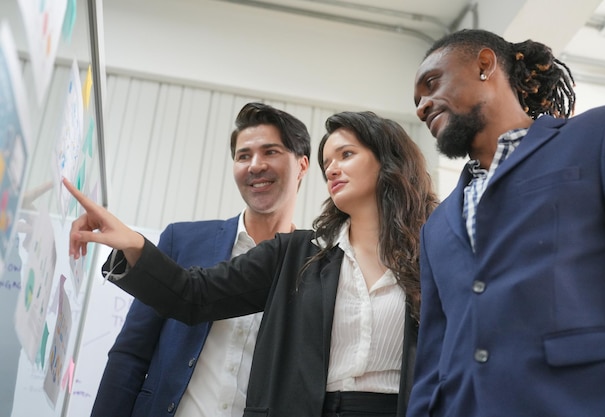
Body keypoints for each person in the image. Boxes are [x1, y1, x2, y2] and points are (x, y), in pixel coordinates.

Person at [64, 110, 439, 417]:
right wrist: (132, 242)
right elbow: (192, 295)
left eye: (346, 155)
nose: (333, 170)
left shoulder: (435, 255)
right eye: (329, 162)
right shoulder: (299, 255)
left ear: (388, 161)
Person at [409, 28, 605, 417]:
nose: (422, 106)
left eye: (431, 84)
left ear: (485, 65)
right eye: (417, 100)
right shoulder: (435, 227)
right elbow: (433, 357)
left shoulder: (602, 134)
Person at [90, 102, 311, 417]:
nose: (255, 165)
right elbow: (131, 353)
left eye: (271, 152)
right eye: (243, 155)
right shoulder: (182, 241)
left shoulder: (312, 266)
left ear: (302, 166)